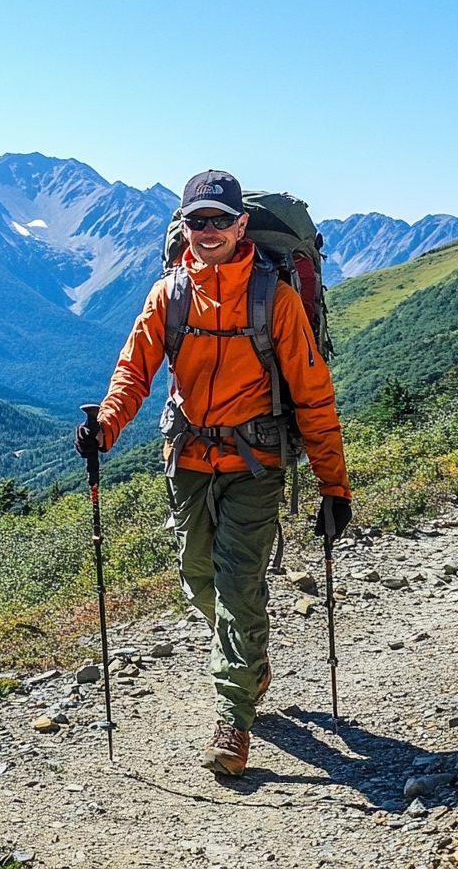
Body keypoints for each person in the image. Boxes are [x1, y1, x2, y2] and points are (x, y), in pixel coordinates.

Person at [75, 169, 352, 776]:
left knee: (235, 584)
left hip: (256, 463)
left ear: (241, 224)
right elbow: (134, 370)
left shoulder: (274, 298)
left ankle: (233, 720)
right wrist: (105, 428)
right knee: (198, 577)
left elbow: (312, 392)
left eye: (219, 221)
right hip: (187, 459)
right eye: (197, 221)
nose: (208, 232)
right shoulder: (168, 295)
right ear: (185, 226)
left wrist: (334, 486)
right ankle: (250, 660)